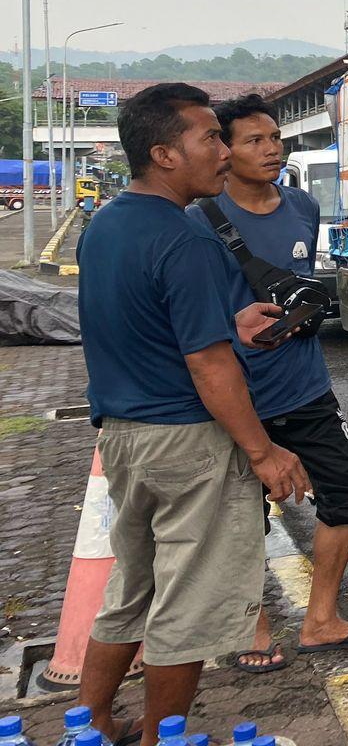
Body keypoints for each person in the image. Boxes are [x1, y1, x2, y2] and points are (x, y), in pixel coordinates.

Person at [75, 84, 310, 746]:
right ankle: (160, 738)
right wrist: (264, 453)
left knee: (132, 589)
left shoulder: (107, 226)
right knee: (188, 604)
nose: (223, 150)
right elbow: (210, 369)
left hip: (124, 441)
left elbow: (143, 323)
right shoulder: (187, 238)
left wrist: (228, 321)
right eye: (209, 138)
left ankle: (90, 724)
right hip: (187, 447)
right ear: (164, 154)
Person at [185, 93, 348, 673]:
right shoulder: (197, 219)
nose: (273, 148)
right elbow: (186, 317)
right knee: (241, 513)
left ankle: (321, 620)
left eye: (275, 137)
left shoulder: (302, 205)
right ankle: (254, 626)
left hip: (305, 386)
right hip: (235, 397)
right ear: (223, 148)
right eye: (254, 140)